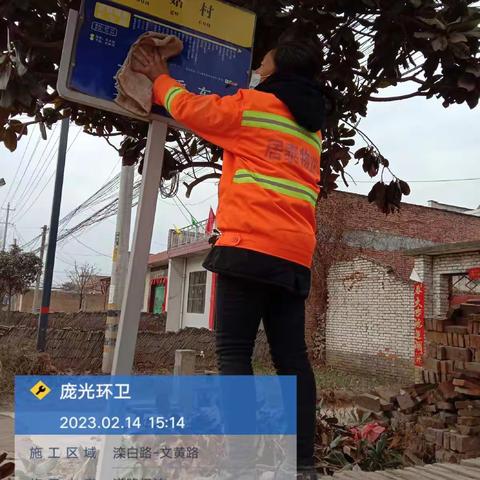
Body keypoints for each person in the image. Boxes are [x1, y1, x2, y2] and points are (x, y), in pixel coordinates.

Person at [132, 40, 325, 479]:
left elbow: (192, 110)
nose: (257, 65)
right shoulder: (312, 130)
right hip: (294, 253)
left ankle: (240, 466)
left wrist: (160, 77)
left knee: (235, 354)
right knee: (291, 358)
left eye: (264, 60)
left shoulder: (254, 106)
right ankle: (303, 465)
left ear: (280, 68)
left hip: (249, 245)